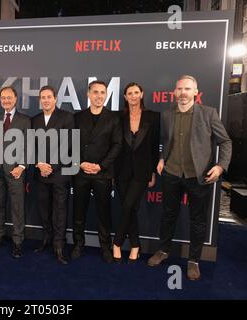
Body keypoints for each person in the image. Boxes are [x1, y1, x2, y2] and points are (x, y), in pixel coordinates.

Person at [147, 75, 232, 280]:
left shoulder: (209, 113)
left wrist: (220, 167)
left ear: (195, 92)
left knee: (198, 220)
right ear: (175, 92)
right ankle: (163, 250)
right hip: (172, 174)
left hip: (199, 176)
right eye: (179, 89)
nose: (183, 93)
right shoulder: (167, 115)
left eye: (187, 89)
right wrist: (161, 158)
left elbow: (225, 141)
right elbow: (166, 142)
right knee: (168, 216)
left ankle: (194, 260)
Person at [72, 80, 122, 263]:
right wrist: (80, 163)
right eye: (95, 92)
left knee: (104, 212)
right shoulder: (78, 117)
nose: (99, 96)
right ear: (88, 94)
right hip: (81, 171)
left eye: (102, 92)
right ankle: (78, 244)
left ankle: (105, 246)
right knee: (79, 211)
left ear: (106, 95)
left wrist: (101, 165)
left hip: (103, 172)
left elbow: (117, 145)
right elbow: (70, 143)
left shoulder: (114, 118)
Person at [112, 82, 160, 263]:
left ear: (141, 94)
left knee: (127, 207)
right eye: (129, 93)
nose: (133, 96)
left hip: (142, 171)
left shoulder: (153, 117)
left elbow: (154, 147)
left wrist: (153, 172)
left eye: (136, 92)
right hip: (121, 170)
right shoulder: (118, 117)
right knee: (130, 208)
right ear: (125, 97)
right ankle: (135, 245)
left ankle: (116, 242)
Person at [32, 85, 75, 265]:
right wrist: (40, 165)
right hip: (41, 173)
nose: (46, 100)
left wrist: (52, 167)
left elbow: (69, 145)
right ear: (39, 100)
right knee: (44, 209)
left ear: (55, 99)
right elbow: (30, 145)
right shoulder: (34, 120)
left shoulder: (66, 117)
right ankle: (46, 239)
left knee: (59, 211)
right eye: (43, 97)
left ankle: (59, 245)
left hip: (60, 174)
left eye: (49, 97)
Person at [0, 86, 30, 258]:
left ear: (16, 99)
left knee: (17, 207)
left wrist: (22, 166)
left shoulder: (25, 120)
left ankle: (18, 242)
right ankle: (0, 235)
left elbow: (28, 146)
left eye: (9, 97)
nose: (6, 100)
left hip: (15, 171)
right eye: (3, 98)